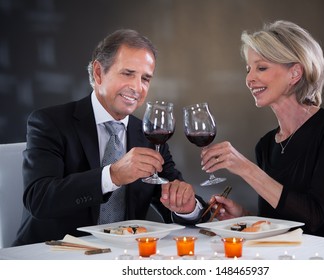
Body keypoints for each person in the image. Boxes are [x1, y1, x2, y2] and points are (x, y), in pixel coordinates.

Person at [13, 29, 208, 246]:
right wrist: (112, 176)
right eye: (127, 73)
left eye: (145, 78)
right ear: (98, 73)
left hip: (122, 256)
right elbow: (39, 199)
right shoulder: (50, 122)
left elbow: (177, 198)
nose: (137, 87)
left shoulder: (148, 134)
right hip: (52, 255)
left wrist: (188, 207)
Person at [201, 20, 324, 245]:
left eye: (261, 67)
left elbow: (313, 217)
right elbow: (282, 221)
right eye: (248, 69)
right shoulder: (267, 144)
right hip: (287, 256)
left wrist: (247, 169)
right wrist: (243, 216)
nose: (249, 79)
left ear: (295, 73)